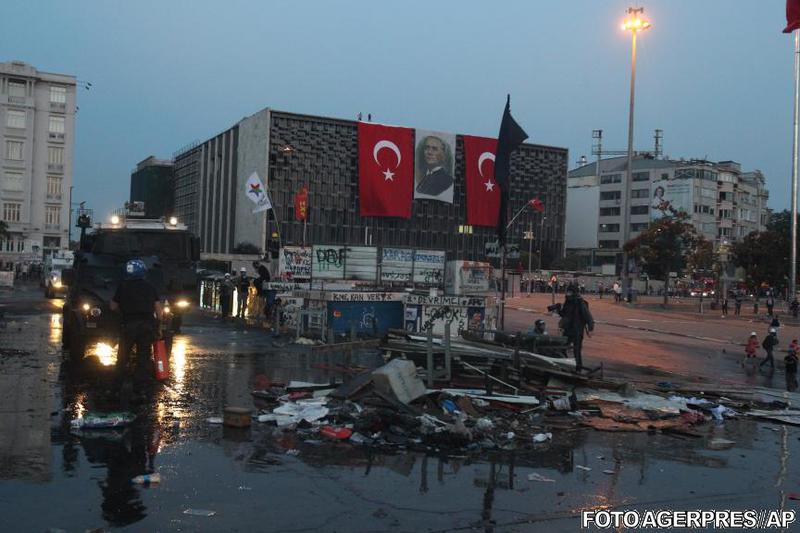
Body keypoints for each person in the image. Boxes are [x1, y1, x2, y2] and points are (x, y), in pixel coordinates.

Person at [110, 259, 162, 389]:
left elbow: (112, 306)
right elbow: (158, 310)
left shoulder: (123, 286)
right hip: (146, 326)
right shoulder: (150, 287)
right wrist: (158, 325)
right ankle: (141, 383)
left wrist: (122, 312)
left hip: (129, 324)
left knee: (123, 354)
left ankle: (119, 381)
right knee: (143, 355)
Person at [557, 284, 595, 372]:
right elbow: (564, 315)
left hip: (577, 331)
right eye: (567, 292)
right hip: (567, 330)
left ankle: (578, 369)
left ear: (574, 293)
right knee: (561, 349)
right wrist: (558, 310)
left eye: (569, 292)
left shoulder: (580, 303)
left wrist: (590, 328)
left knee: (576, 351)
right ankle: (566, 366)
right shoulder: (567, 302)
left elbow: (588, 317)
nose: (567, 294)